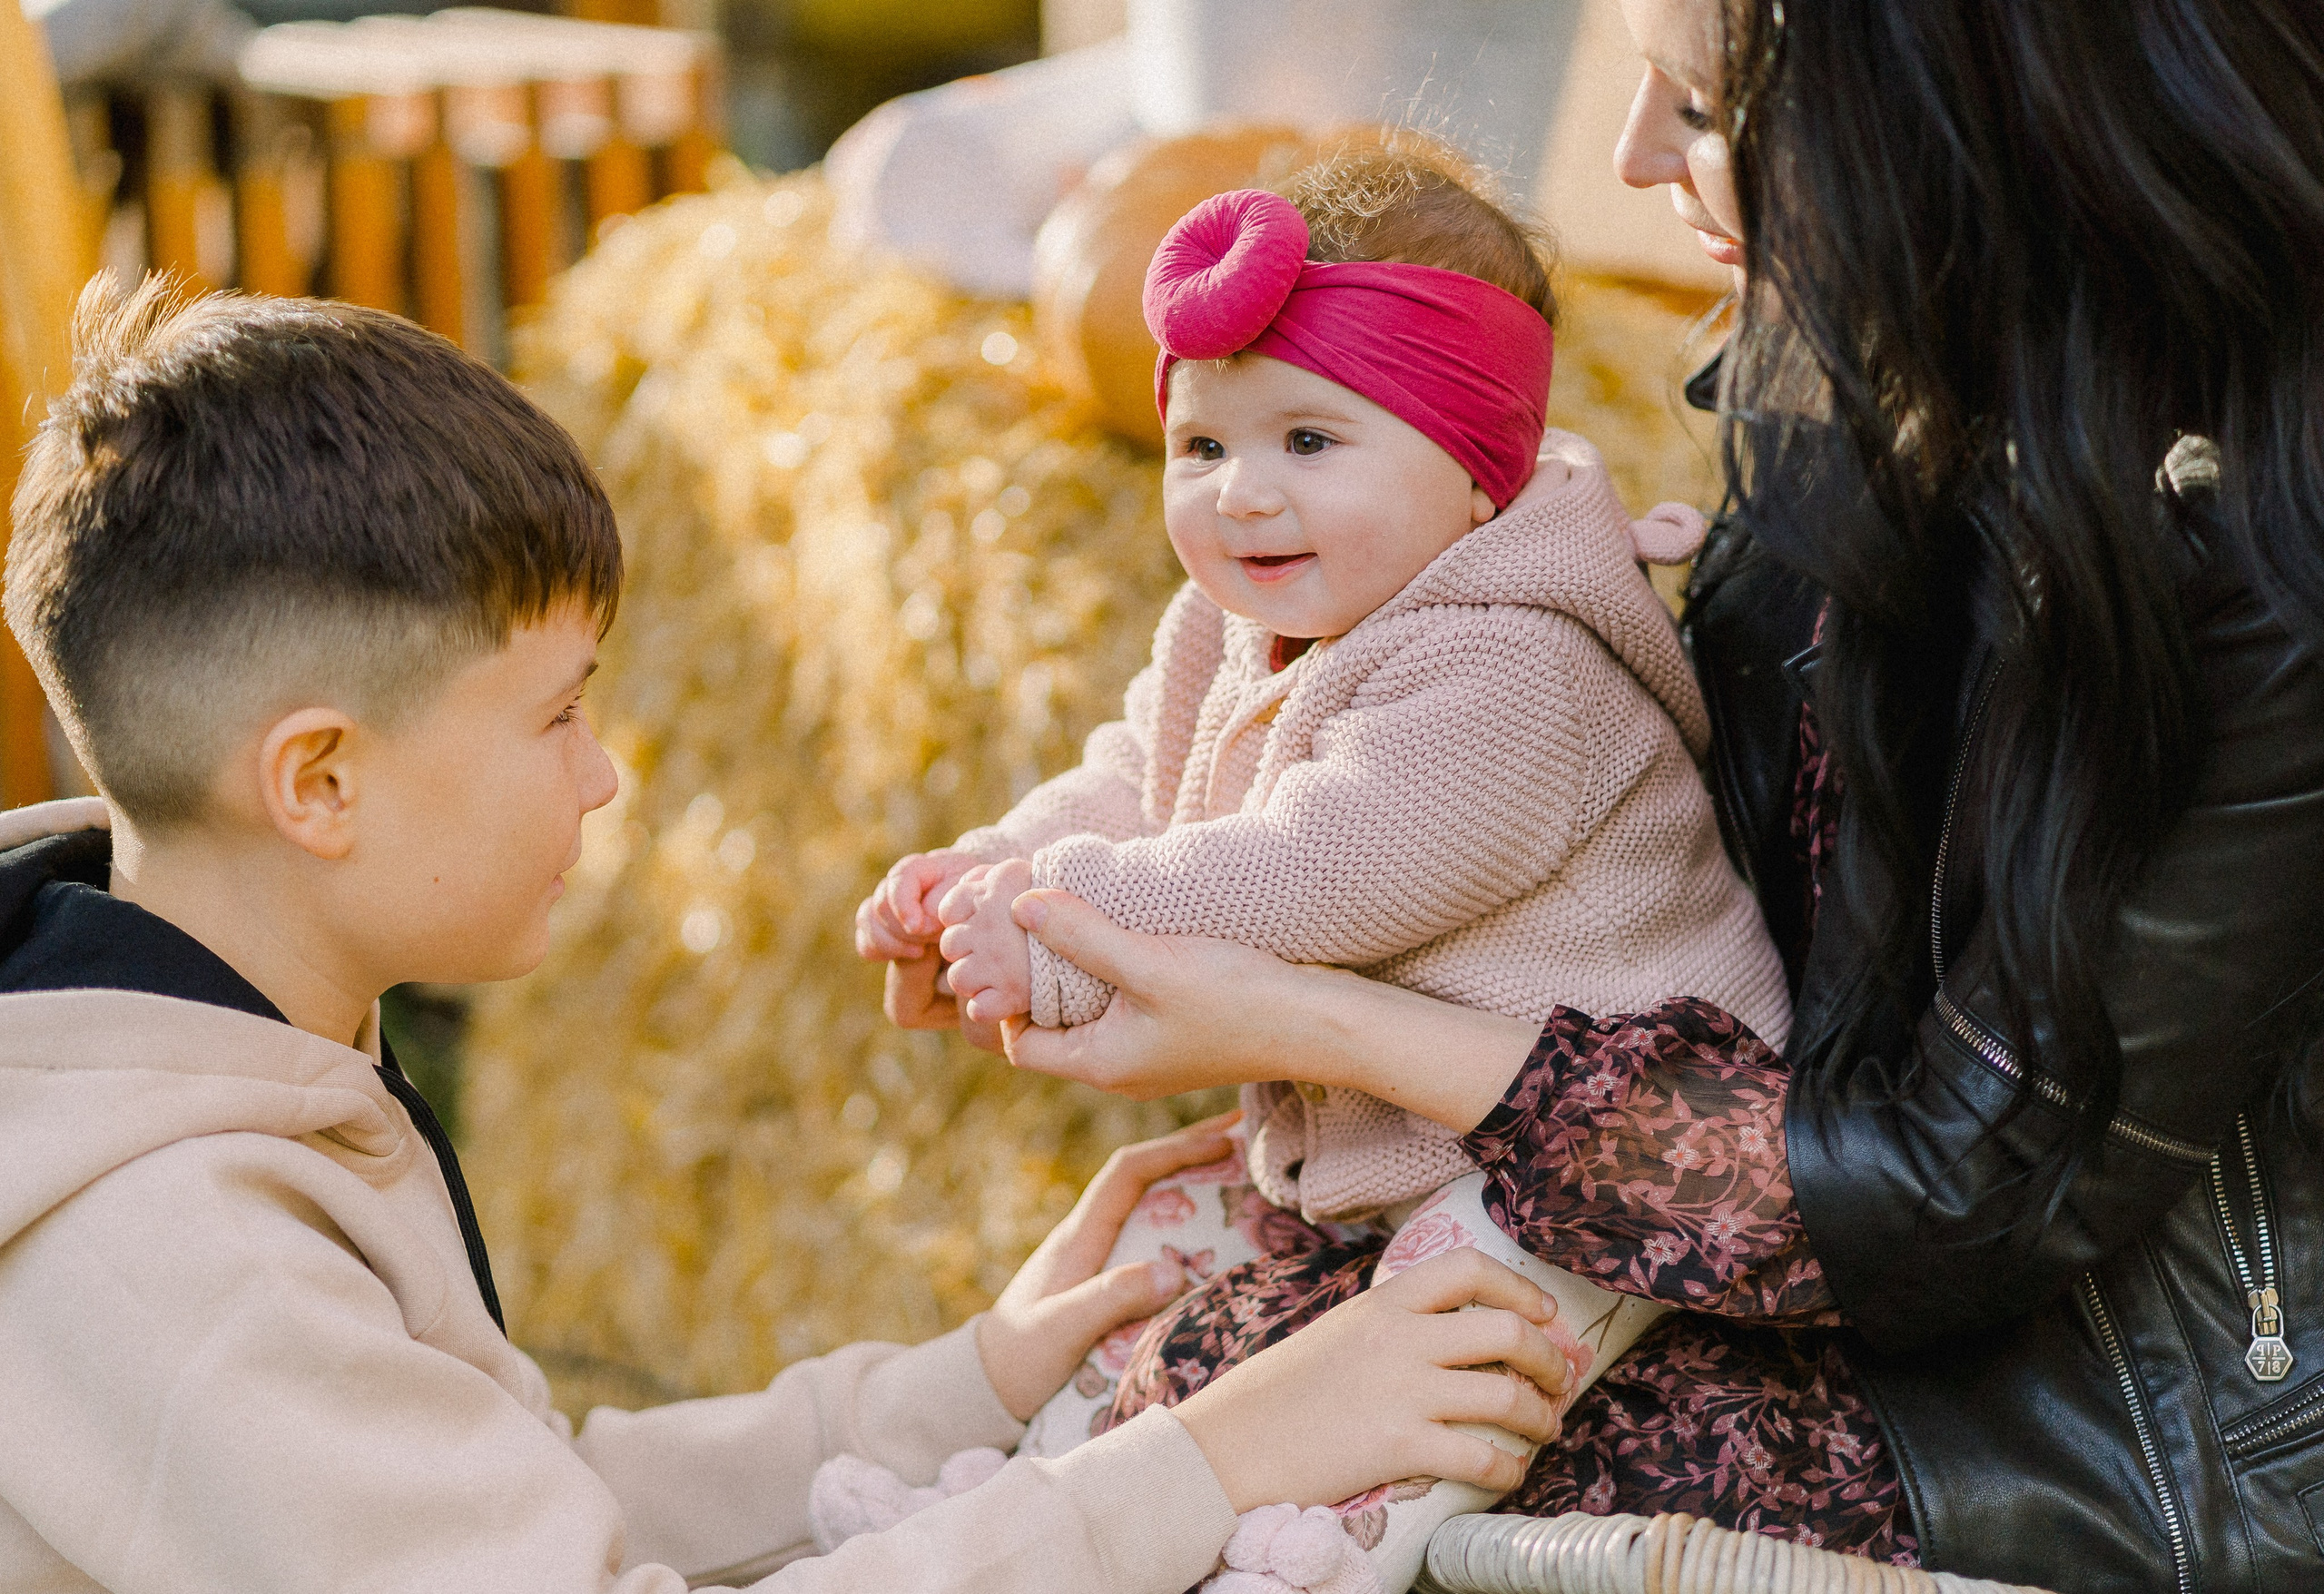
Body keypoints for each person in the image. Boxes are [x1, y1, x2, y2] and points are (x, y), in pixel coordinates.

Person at [898, 0, 2324, 1586]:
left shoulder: (2255, 568)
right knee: (1190, 1334)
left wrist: (1294, 1021)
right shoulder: (1857, 413)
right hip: (1768, 1256)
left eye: (1703, 109)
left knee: (1312, 1422)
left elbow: (1950, 1194)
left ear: (1947, 124)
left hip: (2092, 1414)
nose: (1637, 156)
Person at [0, 277, 1578, 1594]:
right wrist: (1220, 1457)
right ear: (320, 782)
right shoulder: (174, 1249)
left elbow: (501, 1493)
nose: (603, 772)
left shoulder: (219, 1041)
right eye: (556, 715)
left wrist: (964, 1385)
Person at [852, 139, 1787, 1587]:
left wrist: (1052, 932)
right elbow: (1135, 780)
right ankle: (1018, 1505)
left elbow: (1319, 869)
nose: (1239, 494)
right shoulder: (1240, 625)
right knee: (1164, 1237)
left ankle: (1316, 1557)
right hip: (1396, 1134)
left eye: (1309, 442)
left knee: (1437, 1352)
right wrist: (991, 866)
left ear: (1475, 467)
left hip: (1594, 1152)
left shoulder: (1519, 664)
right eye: (1203, 447)